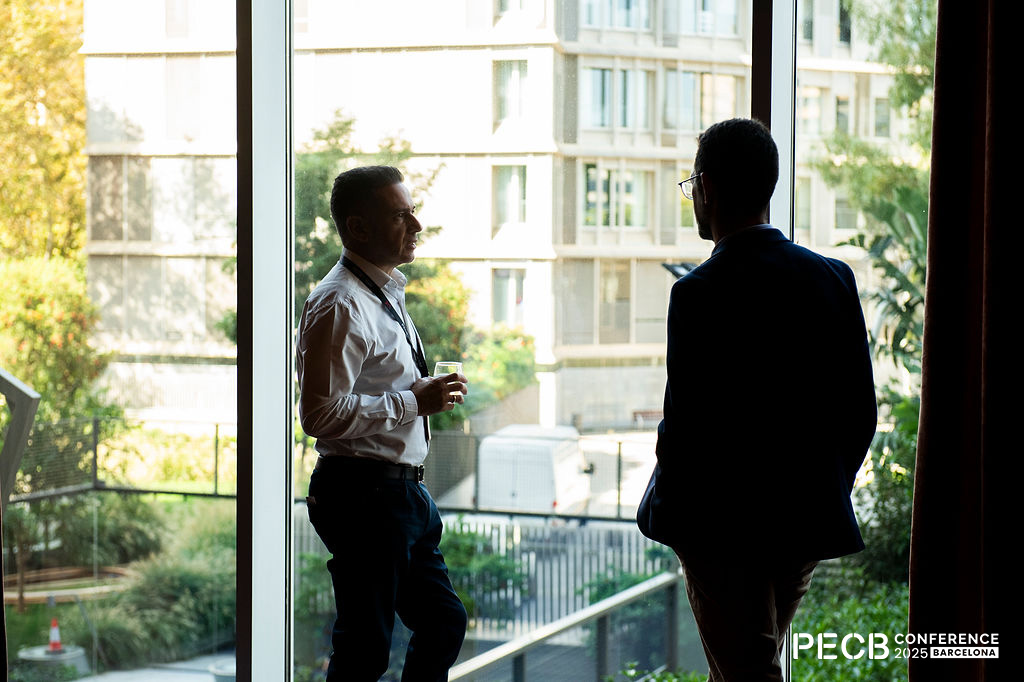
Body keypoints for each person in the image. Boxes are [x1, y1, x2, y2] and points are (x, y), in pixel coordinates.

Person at [637, 119, 877, 681]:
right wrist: (821, 489)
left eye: (692, 184)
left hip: (720, 534)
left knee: (746, 672)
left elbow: (686, 430)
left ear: (707, 188)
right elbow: (859, 415)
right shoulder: (834, 278)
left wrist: (674, 516)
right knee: (745, 668)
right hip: (802, 525)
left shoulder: (698, 293)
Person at [296, 165, 468, 681]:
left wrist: (419, 396)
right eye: (400, 216)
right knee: (365, 649)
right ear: (358, 227)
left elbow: (377, 386)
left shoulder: (382, 291)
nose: (416, 225)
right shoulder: (341, 301)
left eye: (412, 212)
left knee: (443, 622)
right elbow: (320, 414)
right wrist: (413, 402)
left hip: (399, 494)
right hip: (364, 496)